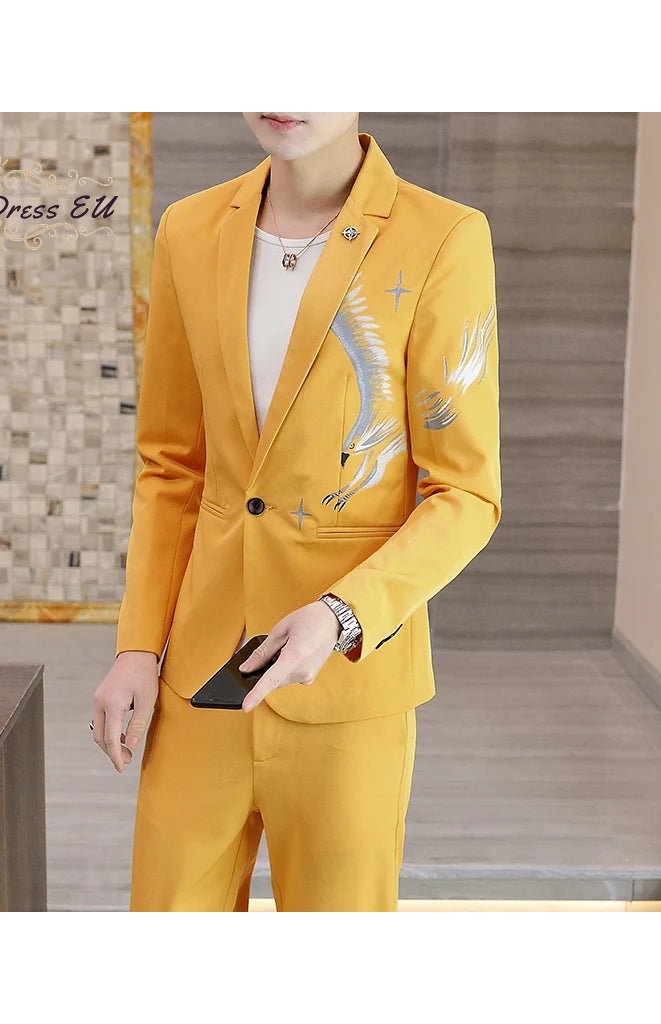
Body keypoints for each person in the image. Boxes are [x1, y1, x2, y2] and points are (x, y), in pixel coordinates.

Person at [91, 113, 501, 911]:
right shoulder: (189, 229)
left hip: (348, 686)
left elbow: (466, 493)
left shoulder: (443, 237)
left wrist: (342, 615)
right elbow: (172, 466)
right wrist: (137, 647)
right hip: (199, 681)